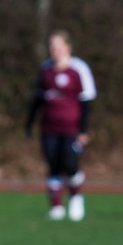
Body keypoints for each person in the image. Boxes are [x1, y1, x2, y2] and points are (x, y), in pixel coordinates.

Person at [24, 30, 97, 221]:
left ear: (67, 47)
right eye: (51, 46)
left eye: (57, 46)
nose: (54, 50)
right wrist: (29, 124)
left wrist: (83, 130)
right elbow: (37, 100)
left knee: (70, 164)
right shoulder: (45, 70)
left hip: (71, 128)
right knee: (53, 164)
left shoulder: (78, 69)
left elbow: (87, 101)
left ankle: (75, 197)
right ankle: (56, 206)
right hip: (49, 128)